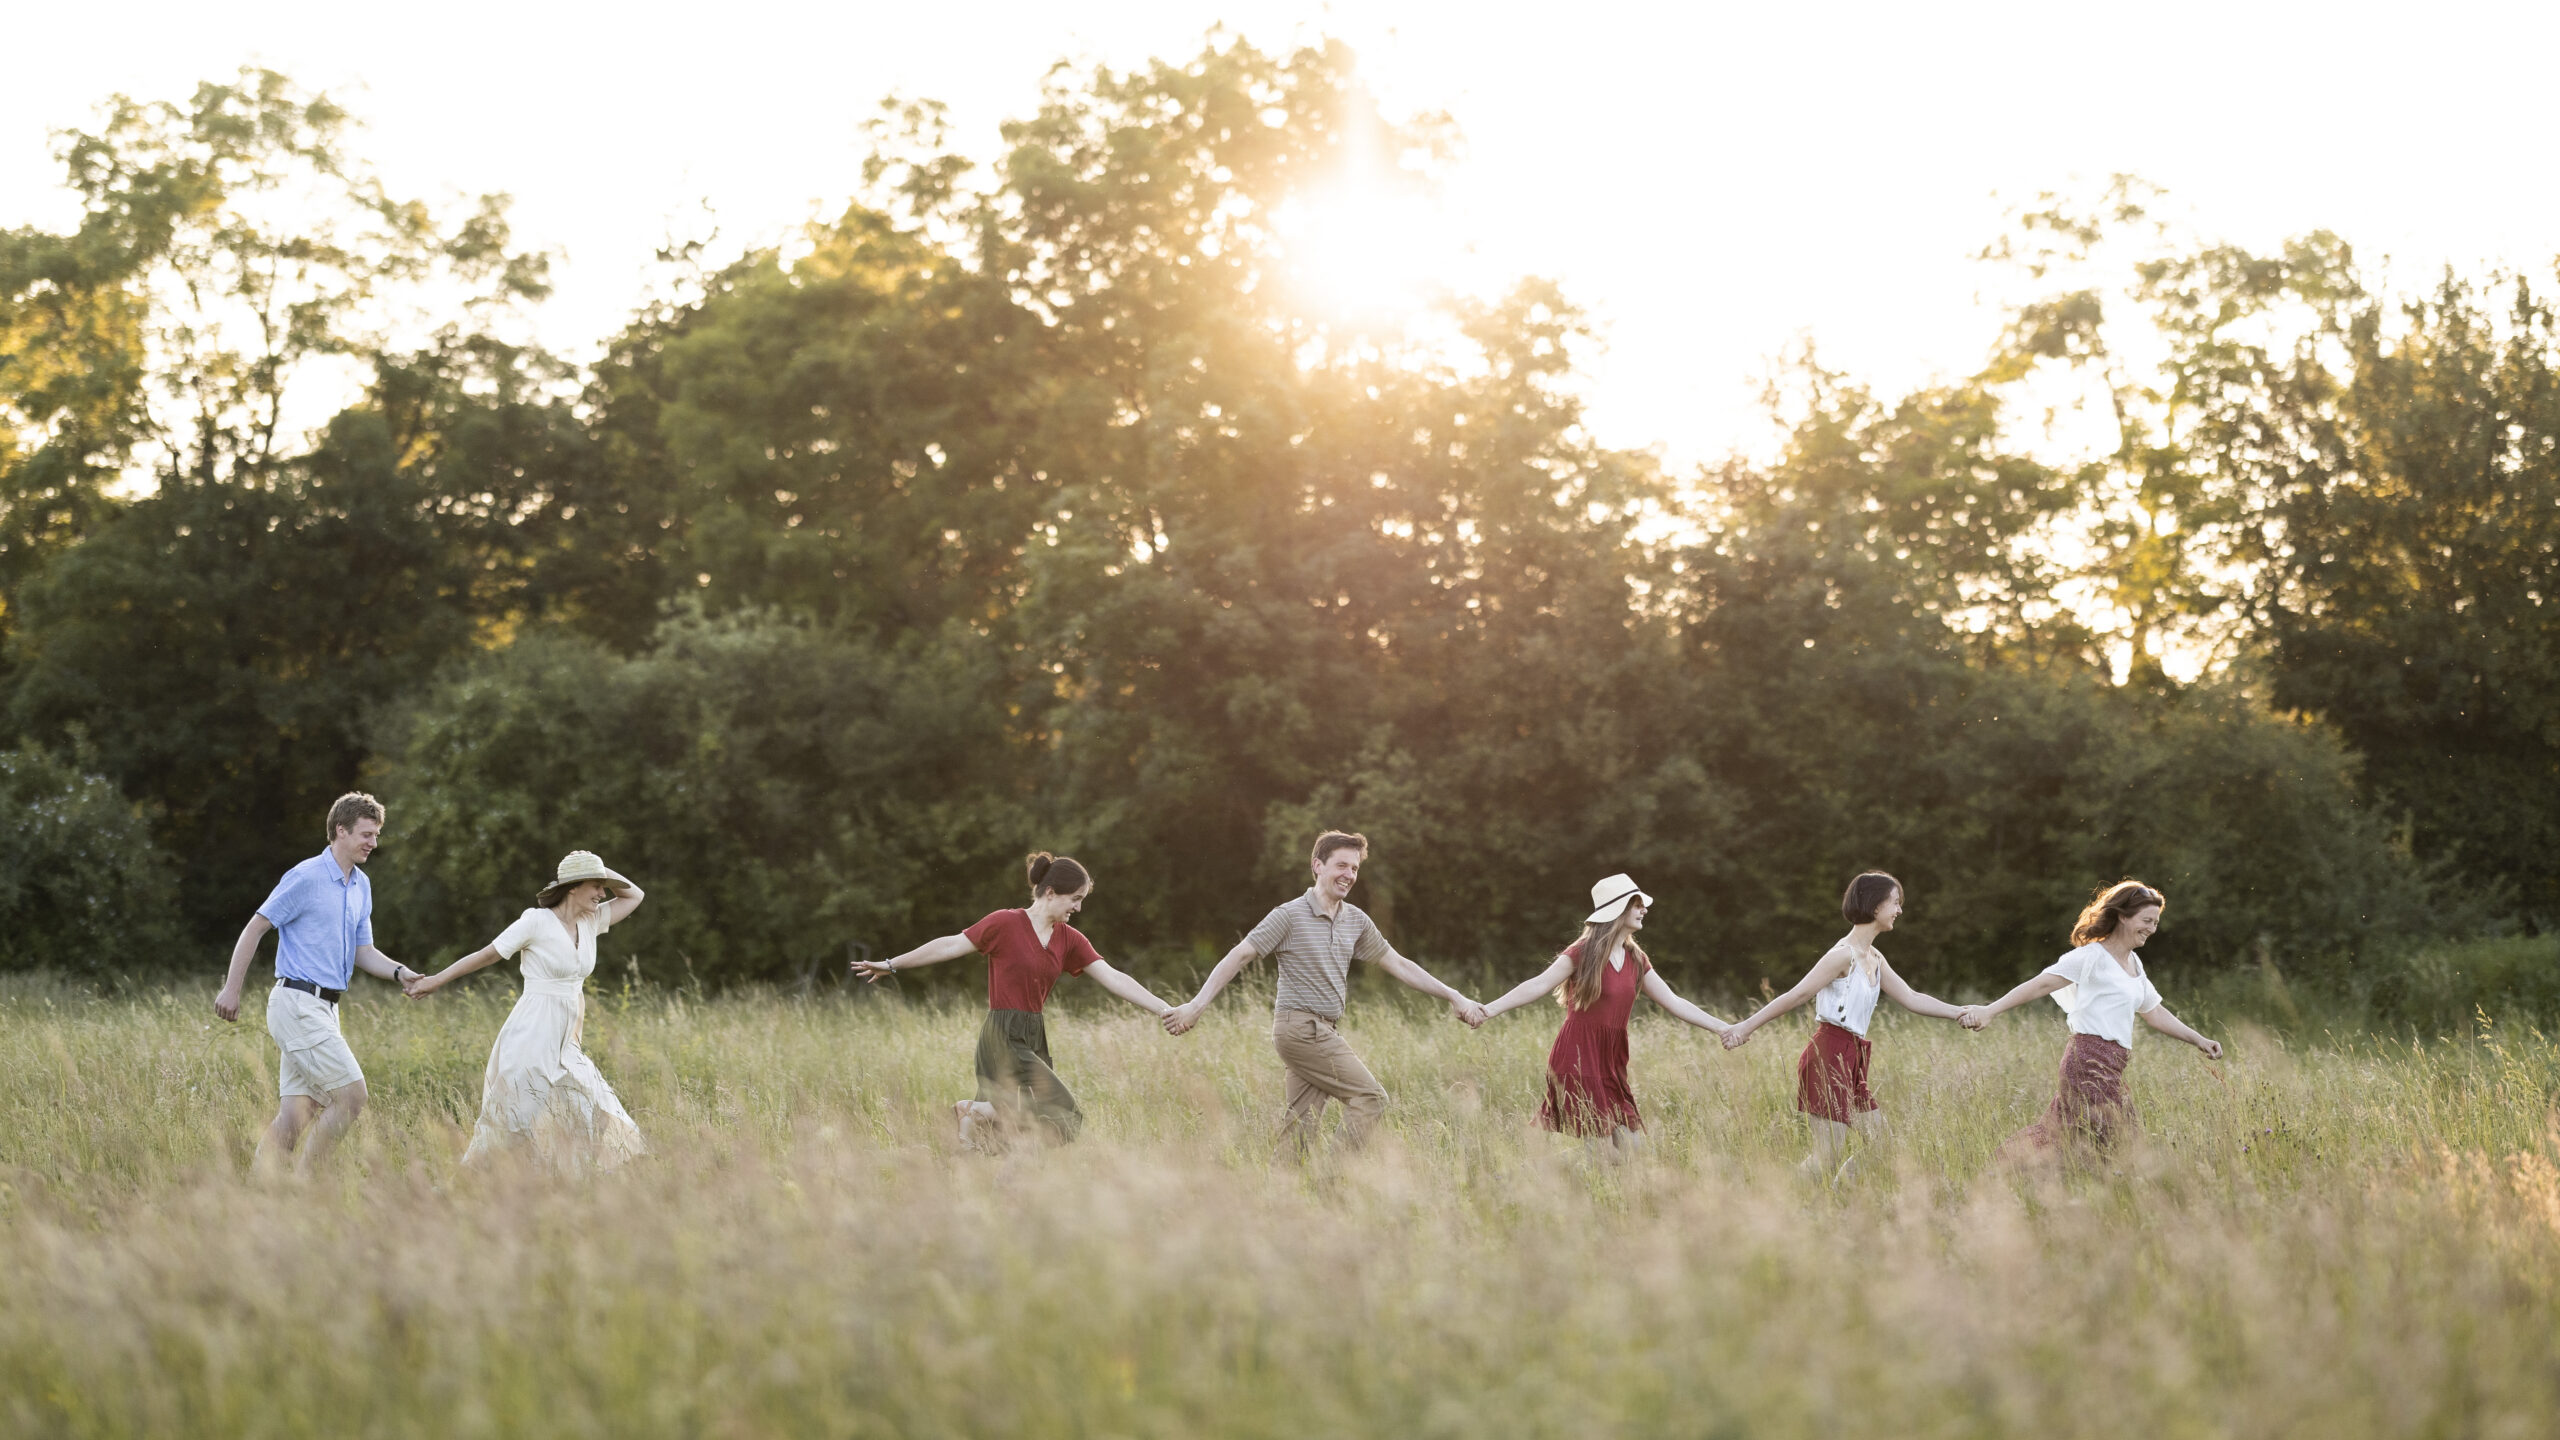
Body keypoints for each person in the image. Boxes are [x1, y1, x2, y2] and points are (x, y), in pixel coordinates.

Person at [1163, 831, 1487, 1158]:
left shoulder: (1355, 920)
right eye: (1341, 865)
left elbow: (1400, 965)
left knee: (1300, 1127)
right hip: (1301, 1030)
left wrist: (1453, 996)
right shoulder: (1289, 915)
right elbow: (1240, 955)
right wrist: (1196, 1005)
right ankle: (1331, 1181)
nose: (1349, 875)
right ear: (1317, 865)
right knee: (1370, 1098)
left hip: (1321, 1030)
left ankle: (1282, 1195)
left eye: (1355, 869)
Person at [853, 852, 1175, 1150]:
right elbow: (950, 945)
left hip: (1033, 1036)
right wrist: (892, 963)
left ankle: (997, 1181)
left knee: (1016, 1133)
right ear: (1050, 892)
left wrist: (1164, 1009)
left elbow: (1114, 977)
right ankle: (973, 1112)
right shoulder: (1004, 923)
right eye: (1075, 899)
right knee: (1066, 1117)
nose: (1078, 908)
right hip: (1003, 1035)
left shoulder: (1070, 939)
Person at [212, 792, 423, 1177]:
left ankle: (261, 1192)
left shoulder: (361, 886)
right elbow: (256, 926)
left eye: (376, 835)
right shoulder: (306, 877)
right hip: (296, 1003)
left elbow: (364, 951)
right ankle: (307, 1186)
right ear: (340, 831)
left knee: (297, 1112)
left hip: (326, 1009)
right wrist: (231, 989)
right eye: (366, 834)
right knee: (352, 1097)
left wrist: (399, 972)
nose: (373, 843)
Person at [403, 852, 649, 1171]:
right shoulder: (536, 921)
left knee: (596, 1106)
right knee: (510, 1121)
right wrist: (436, 980)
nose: (602, 893)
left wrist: (597, 869)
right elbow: (487, 955)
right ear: (573, 887)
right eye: (596, 885)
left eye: (603, 887)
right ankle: (465, 1185)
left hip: (568, 1040)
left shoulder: (591, 920)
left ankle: (576, 1183)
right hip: (532, 1032)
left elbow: (634, 894)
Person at [1720, 872, 1967, 1180]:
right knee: (1827, 1155)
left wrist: (1961, 1012)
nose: (1899, 910)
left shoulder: (1874, 957)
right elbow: (1798, 994)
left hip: (1854, 1057)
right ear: (1875, 906)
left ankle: (1841, 1194)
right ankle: (1771, 1198)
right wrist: (1746, 1027)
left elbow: (1912, 997)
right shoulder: (1842, 956)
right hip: (1828, 1053)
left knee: (1883, 1145)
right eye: (1895, 902)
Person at [1960, 880, 2224, 1160]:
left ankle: (2019, 1174)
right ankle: (2012, 1171)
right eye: (2146, 920)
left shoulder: (2134, 963)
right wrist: (1990, 1010)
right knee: (2117, 1141)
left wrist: (2199, 1039)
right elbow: (2040, 984)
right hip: (2086, 1061)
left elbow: (2154, 1012)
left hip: (2113, 1066)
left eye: (2155, 923)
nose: (2151, 928)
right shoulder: (2092, 957)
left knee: (2074, 1138)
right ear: (2123, 915)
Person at [1476, 874, 1732, 1155]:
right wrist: (1488, 1010)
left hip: (1611, 1060)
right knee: (1603, 1154)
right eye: (1636, 904)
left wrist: (1723, 1028)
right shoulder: (1582, 952)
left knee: (1633, 1149)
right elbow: (1537, 984)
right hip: (1578, 1055)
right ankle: (1534, 1179)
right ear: (1618, 909)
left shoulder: (1636, 958)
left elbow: (1673, 1001)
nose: (1643, 909)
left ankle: (1535, 1173)